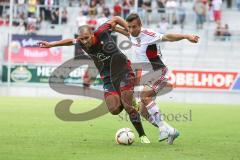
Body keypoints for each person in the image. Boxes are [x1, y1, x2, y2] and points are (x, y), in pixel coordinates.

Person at [38, 16, 150, 144]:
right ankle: (130, 101)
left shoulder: (101, 31)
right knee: (114, 109)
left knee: (127, 106)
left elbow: (116, 18)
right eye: (81, 39)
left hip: (123, 71)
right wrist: (52, 44)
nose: (84, 41)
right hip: (107, 77)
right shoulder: (80, 42)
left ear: (92, 34)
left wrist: (128, 29)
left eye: (87, 37)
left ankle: (142, 135)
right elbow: (70, 41)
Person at [114, 13, 199, 144]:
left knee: (144, 96)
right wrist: (113, 28)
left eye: (134, 27)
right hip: (148, 76)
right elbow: (127, 33)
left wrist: (186, 36)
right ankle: (170, 131)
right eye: (129, 27)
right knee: (142, 111)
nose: (131, 30)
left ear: (140, 25)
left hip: (159, 72)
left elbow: (168, 37)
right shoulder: (132, 34)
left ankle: (163, 128)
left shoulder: (149, 34)